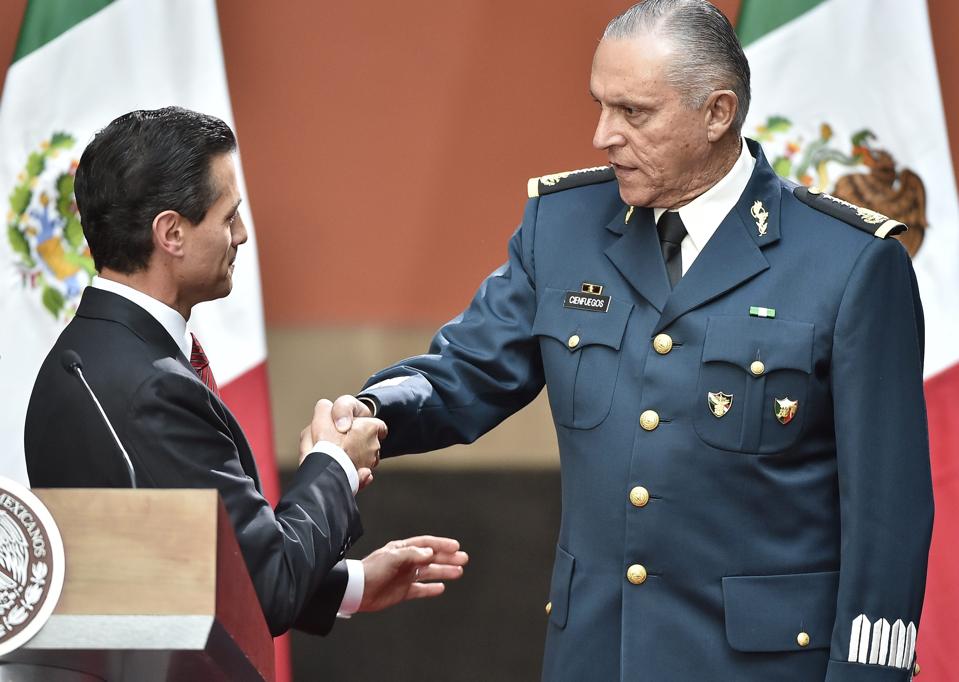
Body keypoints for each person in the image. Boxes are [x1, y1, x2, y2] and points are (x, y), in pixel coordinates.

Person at [329, 1, 932, 679]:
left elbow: (887, 514)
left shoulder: (848, 263)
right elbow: (466, 372)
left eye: (632, 112)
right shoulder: (562, 226)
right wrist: (372, 411)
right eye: (600, 106)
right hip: (594, 655)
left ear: (717, 113)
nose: (602, 136)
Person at [24, 107, 467, 637]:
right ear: (171, 233)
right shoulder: (151, 386)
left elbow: (174, 567)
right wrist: (335, 464)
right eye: (228, 216)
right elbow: (262, 588)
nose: (242, 235)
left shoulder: (93, 354)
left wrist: (350, 585)